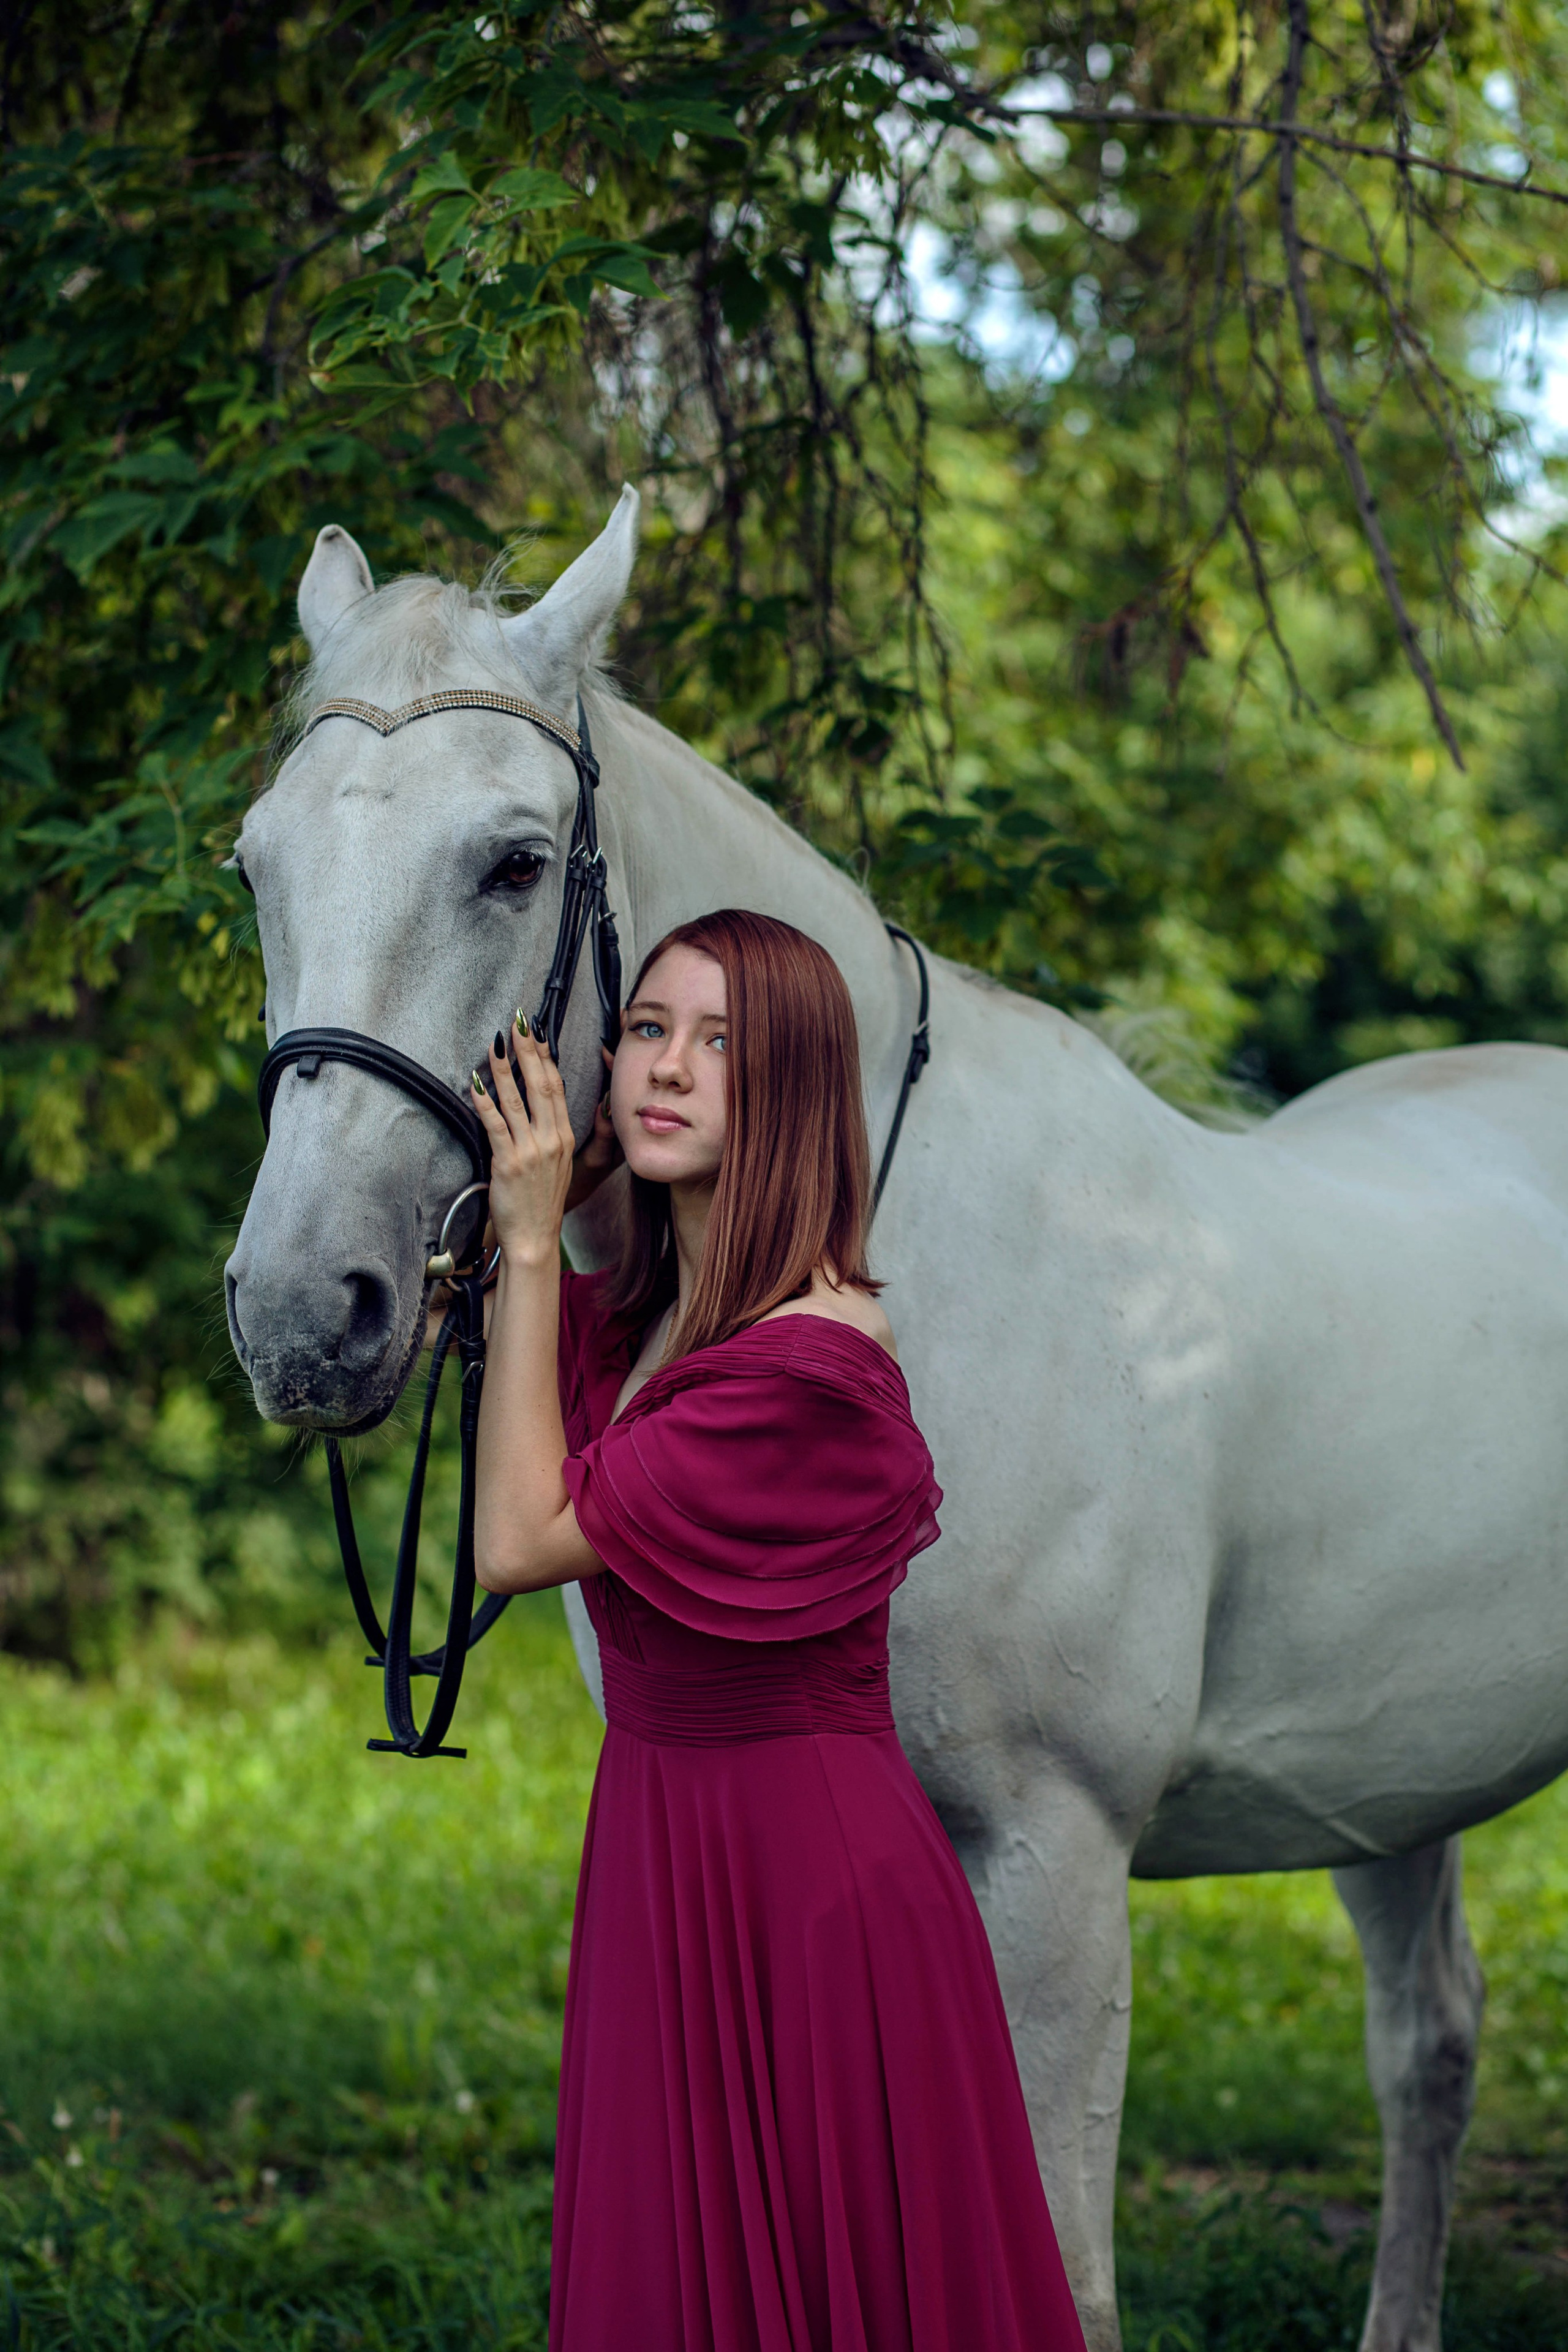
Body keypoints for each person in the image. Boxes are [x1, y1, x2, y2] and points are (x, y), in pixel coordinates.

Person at [469, 908, 1087, 2352]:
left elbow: (512, 1543)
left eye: (721, 1044)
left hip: (807, 1898)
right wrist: (548, 1248)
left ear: (794, 1090)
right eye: (647, 1031)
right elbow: (518, 1434)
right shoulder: (656, 1332)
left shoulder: (803, 1363)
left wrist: (527, 1239)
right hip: (669, 1848)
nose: (664, 1071)